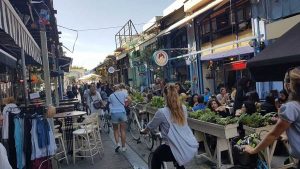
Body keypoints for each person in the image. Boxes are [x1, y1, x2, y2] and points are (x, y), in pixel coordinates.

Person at [243, 67, 300, 169]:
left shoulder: (291, 107)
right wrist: (291, 136)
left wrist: (253, 150)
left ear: (288, 85)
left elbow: (273, 135)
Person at [140, 84, 198, 169]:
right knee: (179, 162)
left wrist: (144, 131)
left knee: (156, 156)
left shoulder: (162, 112)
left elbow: (151, 126)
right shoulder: (183, 108)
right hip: (187, 145)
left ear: (164, 96)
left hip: (173, 147)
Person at [108, 85, 131, 152]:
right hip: (122, 112)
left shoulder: (111, 96)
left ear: (113, 89)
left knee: (115, 130)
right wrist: (126, 105)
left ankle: (118, 144)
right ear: (119, 89)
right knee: (123, 130)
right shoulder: (123, 93)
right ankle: (123, 147)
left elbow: (110, 103)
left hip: (114, 113)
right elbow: (130, 99)